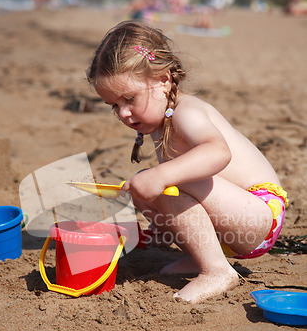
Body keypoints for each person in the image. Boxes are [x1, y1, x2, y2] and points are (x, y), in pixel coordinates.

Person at [86, 21, 289, 304]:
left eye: (129, 99)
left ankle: (217, 271)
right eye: (114, 105)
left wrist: (160, 176)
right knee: (145, 188)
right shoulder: (160, 122)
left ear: (163, 79)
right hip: (233, 221)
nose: (123, 113)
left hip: (258, 214)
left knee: (160, 179)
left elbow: (218, 152)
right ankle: (199, 255)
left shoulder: (186, 113)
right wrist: (158, 221)